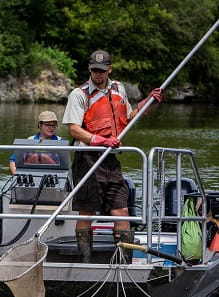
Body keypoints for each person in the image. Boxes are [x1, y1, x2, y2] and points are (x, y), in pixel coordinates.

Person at [61, 50, 163, 263]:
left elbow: (128, 117)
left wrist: (146, 104)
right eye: (94, 70)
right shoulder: (79, 94)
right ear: (89, 69)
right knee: (87, 211)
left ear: (110, 69)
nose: (98, 74)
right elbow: (74, 130)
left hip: (110, 159)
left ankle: (123, 260)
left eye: (102, 70)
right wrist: (100, 140)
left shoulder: (119, 89)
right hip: (87, 158)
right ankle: (86, 261)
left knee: (121, 210)